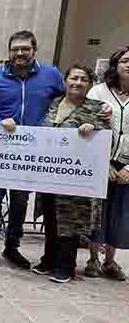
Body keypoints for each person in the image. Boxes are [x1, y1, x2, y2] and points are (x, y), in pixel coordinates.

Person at [0, 30, 65, 268]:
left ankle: (12, 248)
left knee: (20, 201)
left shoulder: (51, 75)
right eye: (15, 49)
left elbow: (66, 103)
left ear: (34, 50)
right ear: (9, 51)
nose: (20, 53)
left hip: (31, 151)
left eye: (25, 48)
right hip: (0, 148)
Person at [30, 65, 109, 283]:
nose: (78, 82)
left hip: (76, 176)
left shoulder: (98, 107)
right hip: (50, 173)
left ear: (90, 84)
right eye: (74, 77)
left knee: (69, 221)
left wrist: (93, 127)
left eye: (84, 79)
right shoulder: (54, 103)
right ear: (65, 81)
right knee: (52, 218)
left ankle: (66, 266)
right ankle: (49, 260)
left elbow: (105, 137)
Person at [86, 46, 129, 281]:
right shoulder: (98, 92)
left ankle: (110, 261)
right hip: (100, 162)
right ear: (115, 64)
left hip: (127, 167)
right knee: (97, 213)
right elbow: (89, 129)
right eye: (124, 60)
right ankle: (92, 258)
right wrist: (104, 164)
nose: (128, 65)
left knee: (119, 215)